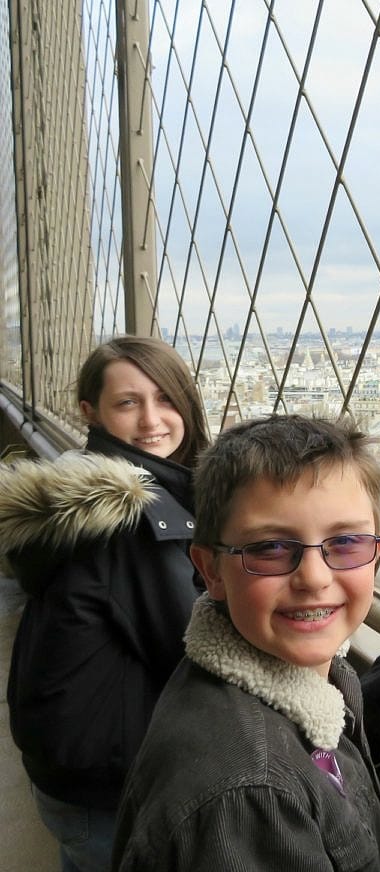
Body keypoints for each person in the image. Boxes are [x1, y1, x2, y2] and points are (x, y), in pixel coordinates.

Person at [112, 415, 380, 871]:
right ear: (211, 571)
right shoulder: (248, 796)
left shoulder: (261, 700)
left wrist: (354, 737)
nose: (314, 578)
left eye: (344, 542)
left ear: (375, 556)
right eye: (270, 548)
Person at [1, 335, 210, 872]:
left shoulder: (80, 490)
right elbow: (196, 649)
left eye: (166, 398)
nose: (152, 420)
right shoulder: (133, 520)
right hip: (109, 787)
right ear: (89, 411)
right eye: (128, 402)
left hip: (71, 770)